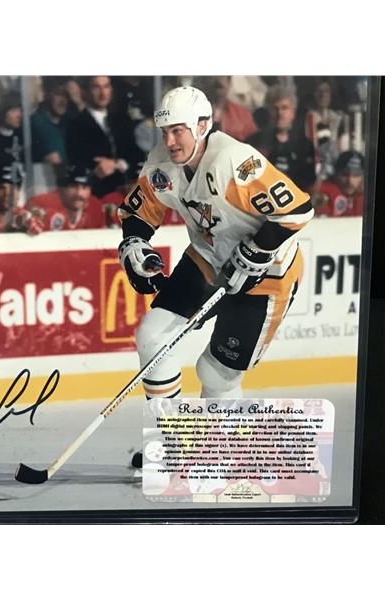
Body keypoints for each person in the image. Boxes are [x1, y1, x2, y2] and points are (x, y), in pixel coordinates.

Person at [117, 87, 314, 468]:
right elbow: (139, 212)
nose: (170, 141)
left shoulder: (236, 162)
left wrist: (256, 250)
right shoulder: (161, 163)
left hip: (269, 276)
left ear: (202, 126)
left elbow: (297, 210)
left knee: (216, 374)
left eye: (178, 130)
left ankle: (222, 451)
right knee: (152, 336)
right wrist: (135, 244)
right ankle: (175, 445)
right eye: (165, 132)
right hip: (209, 258)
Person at [66, 76, 143, 198]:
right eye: (96, 87)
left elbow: (136, 155)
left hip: (128, 194)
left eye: (106, 87)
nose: (103, 93)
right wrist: (96, 172)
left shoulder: (122, 120)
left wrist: (118, 164)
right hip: (97, 195)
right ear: (85, 92)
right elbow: (79, 165)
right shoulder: (75, 125)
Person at [246, 84, 316, 192]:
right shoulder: (254, 144)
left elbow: (310, 184)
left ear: (292, 113)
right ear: (267, 112)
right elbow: (243, 176)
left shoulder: (303, 146)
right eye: (275, 109)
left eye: (284, 108)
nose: (280, 114)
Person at [26, 165, 106, 231]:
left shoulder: (96, 206)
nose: (79, 194)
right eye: (73, 187)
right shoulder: (40, 203)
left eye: (84, 187)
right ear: (60, 189)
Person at [31, 78, 74, 166]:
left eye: (67, 96)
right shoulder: (36, 122)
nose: (63, 101)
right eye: (59, 94)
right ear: (46, 94)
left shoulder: (69, 121)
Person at [201, 76, 258, 142]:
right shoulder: (196, 110)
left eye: (222, 76)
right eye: (213, 76)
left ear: (229, 81)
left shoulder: (243, 115)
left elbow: (253, 143)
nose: (218, 80)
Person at [313, 151, 364, 217]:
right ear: (337, 174)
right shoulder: (325, 192)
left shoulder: (369, 197)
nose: (350, 180)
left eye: (356, 175)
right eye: (344, 174)